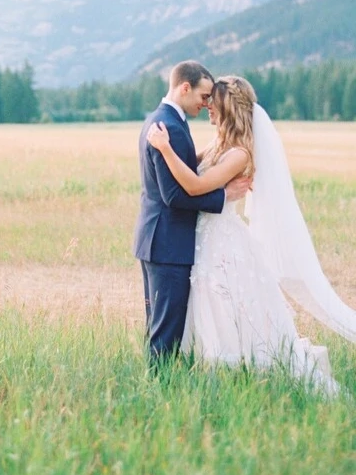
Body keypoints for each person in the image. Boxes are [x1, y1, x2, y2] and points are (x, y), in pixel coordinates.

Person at [147, 75, 356, 387]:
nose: (207, 109)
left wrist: (164, 149)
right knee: (207, 305)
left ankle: (235, 375)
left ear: (228, 108)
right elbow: (191, 165)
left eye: (213, 104)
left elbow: (196, 185)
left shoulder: (239, 153)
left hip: (222, 242)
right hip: (204, 239)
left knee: (226, 305)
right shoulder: (219, 143)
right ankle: (206, 371)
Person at [133, 61, 250, 369]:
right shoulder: (170, 126)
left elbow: (189, 166)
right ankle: (161, 393)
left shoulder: (163, 120)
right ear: (185, 88)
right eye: (204, 95)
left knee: (162, 326)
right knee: (165, 331)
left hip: (158, 239)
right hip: (168, 243)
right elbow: (175, 195)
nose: (206, 102)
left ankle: (163, 386)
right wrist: (224, 196)